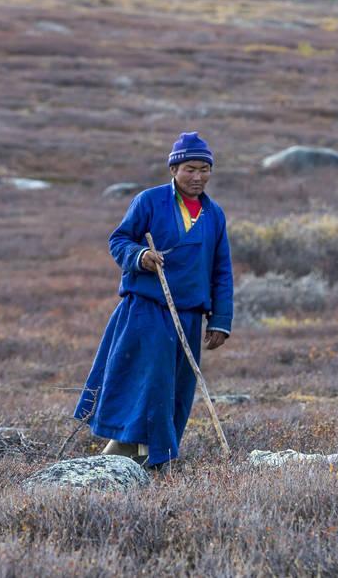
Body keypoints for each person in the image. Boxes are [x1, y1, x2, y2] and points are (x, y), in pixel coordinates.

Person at [74, 131, 233, 467]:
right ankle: (131, 452)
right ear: (174, 169)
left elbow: (222, 271)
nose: (198, 176)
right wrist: (141, 255)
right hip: (146, 310)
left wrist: (221, 319)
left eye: (204, 169)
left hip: (188, 315)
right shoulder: (149, 201)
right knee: (150, 381)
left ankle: (154, 457)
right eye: (190, 169)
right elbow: (119, 240)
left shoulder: (214, 214)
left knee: (176, 389)